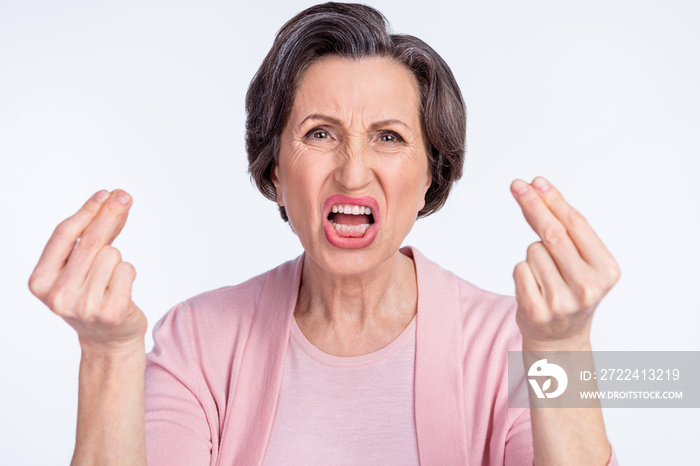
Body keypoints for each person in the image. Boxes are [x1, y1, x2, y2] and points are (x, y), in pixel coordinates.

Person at [28, 2, 620, 465]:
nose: (353, 171)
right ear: (277, 172)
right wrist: (107, 357)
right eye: (319, 134)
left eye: (388, 136)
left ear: (429, 177)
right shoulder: (197, 343)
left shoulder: (510, 344)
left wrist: (564, 348)